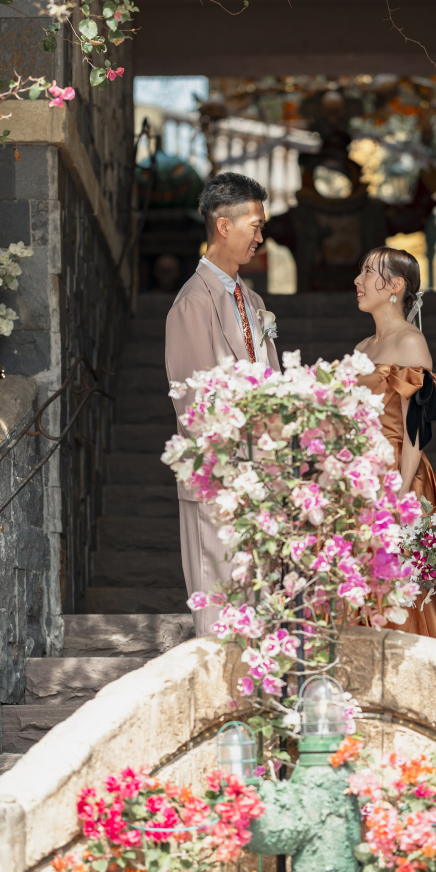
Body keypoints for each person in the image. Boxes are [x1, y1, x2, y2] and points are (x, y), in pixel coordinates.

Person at [166, 172, 281, 634]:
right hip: (220, 475)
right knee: (221, 612)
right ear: (223, 226)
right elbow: (195, 403)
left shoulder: (249, 299)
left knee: (259, 604)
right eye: (255, 225)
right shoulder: (193, 303)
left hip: (261, 474)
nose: (261, 236)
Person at [353, 246, 436, 646]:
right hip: (360, 479)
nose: (357, 281)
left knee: (401, 587)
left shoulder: (409, 343)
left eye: (369, 273)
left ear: (395, 286)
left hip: (398, 475)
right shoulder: (361, 349)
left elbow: (415, 432)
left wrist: (401, 496)